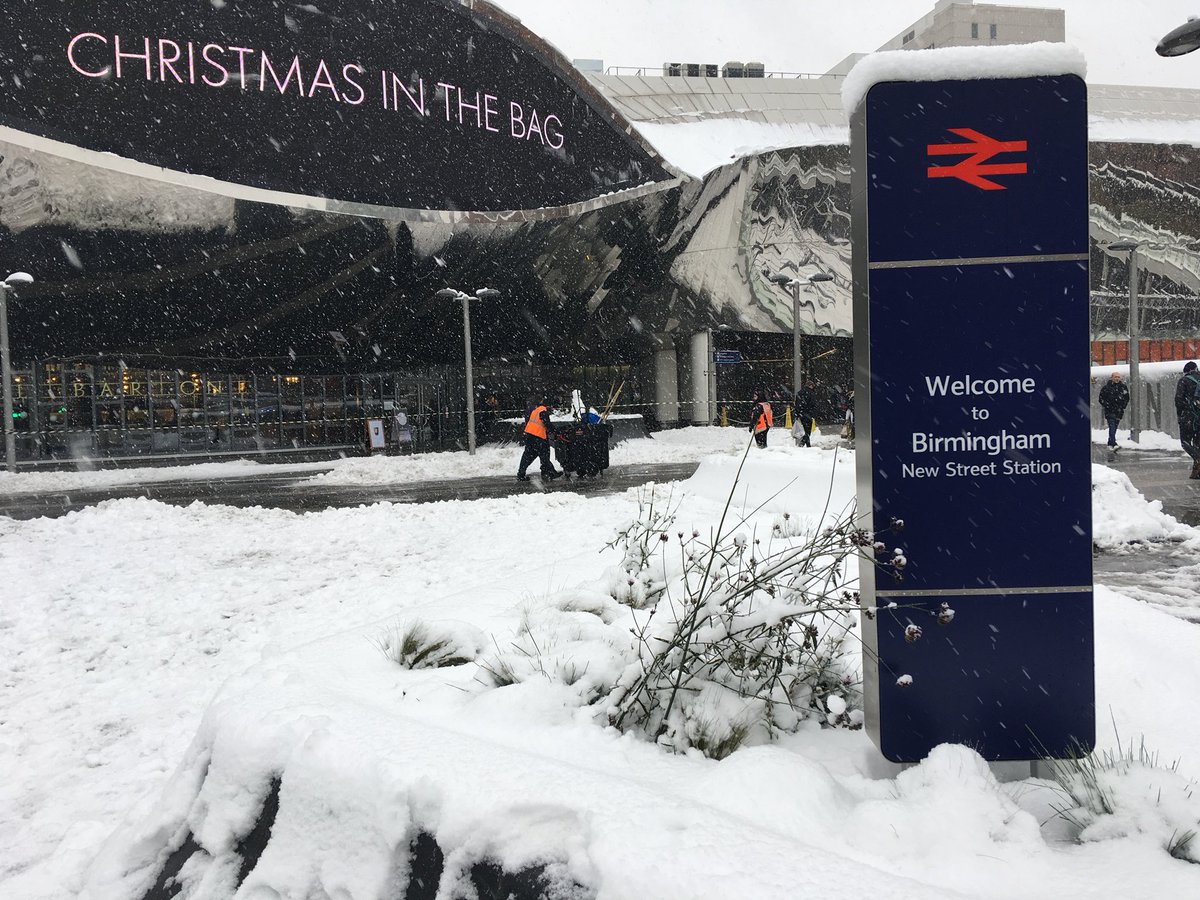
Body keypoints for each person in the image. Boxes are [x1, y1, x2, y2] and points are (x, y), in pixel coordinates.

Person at [517, 396, 562, 481]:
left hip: (530, 435)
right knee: (544, 455)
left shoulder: (536, 410)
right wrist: (556, 431)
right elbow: (547, 424)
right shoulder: (543, 411)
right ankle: (549, 473)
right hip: (538, 437)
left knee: (528, 455)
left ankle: (521, 474)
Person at [1175, 361, 1200, 479]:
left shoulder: (1184, 381)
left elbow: (1178, 399)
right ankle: (1197, 472)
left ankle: (1198, 459)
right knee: (1198, 443)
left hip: (1189, 416)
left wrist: (1181, 414)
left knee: (1185, 442)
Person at [1098, 371, 1129, 451]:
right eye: (1115, 377)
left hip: (1119, 411)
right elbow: (1101, 399)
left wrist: (1123, 406)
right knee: (1112, 426)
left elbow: (1126, 398)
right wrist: (1107, 405)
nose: (1117, 378)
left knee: (1114, 427)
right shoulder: (1106, 388)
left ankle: (1110, 442)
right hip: (1110, 411)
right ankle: (1114, 443)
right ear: (1111, 377)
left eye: (1118, 377)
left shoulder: (1123, 387)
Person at [793, 379, 818, 448]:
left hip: (801, 414)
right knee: (808, 432)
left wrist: (798, 413)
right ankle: (805, 445)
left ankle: (805, 445)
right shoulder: (811, 393)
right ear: (810, 386)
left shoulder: (799, 393)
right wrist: (813, 414)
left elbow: (797, 404)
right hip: (808, 415)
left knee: (805, 430)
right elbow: (813, 404)